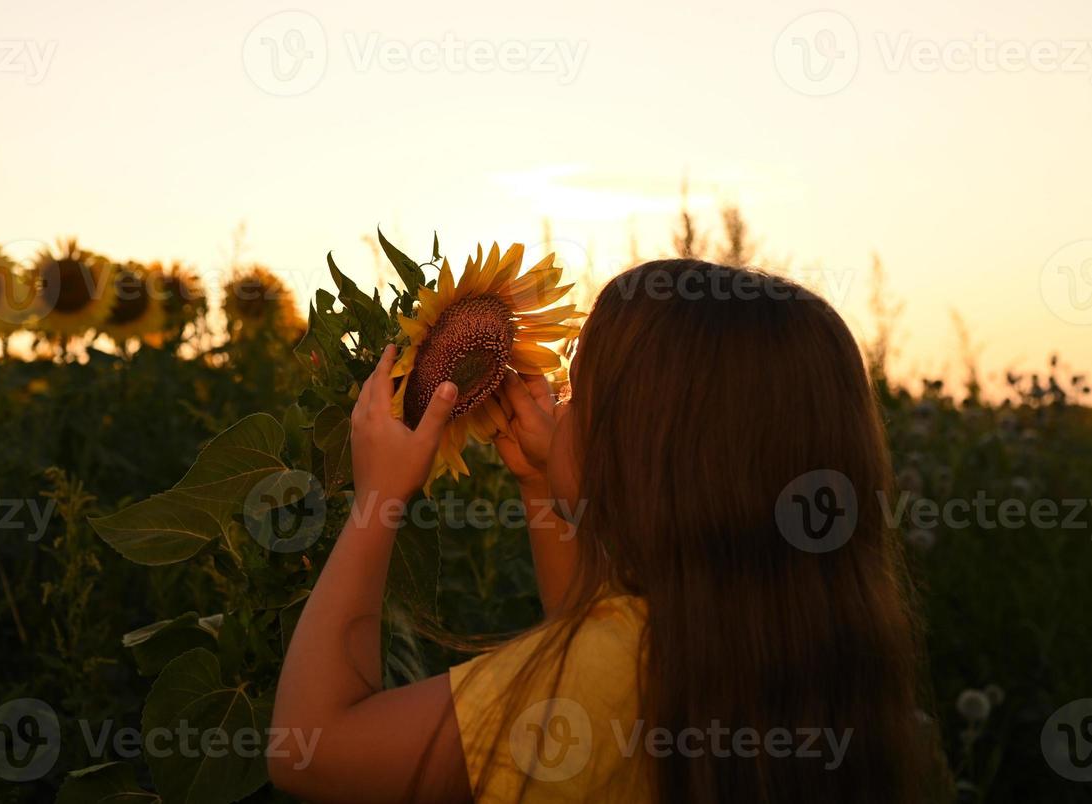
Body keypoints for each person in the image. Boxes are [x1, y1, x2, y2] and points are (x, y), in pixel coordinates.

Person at [269, 258, 934, 803]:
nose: (556, 400)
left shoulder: (613, 671)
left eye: (578, 388)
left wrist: (377, 502)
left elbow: (313, 748)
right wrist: (544, 487)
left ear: (638, 452)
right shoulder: (802, 645)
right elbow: (581, 638)